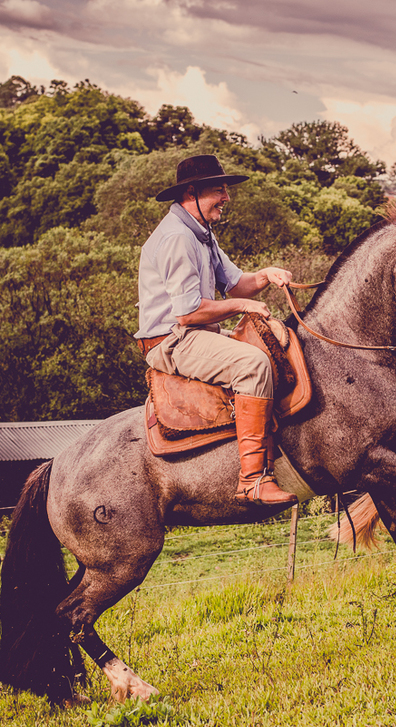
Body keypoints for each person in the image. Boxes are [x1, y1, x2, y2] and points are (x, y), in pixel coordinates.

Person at [135, 154, 298, 504]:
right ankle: (253, 480)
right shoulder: (177, 238)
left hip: (193, 334)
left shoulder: (201, 233)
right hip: (172, 341)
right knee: (253, 364)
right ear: (191, 193)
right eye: (219, 191)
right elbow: (187, 312)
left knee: (271, 348)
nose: (227, 198)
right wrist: (242, 306)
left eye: (225, 190)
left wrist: (266, 274)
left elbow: (237, 284)